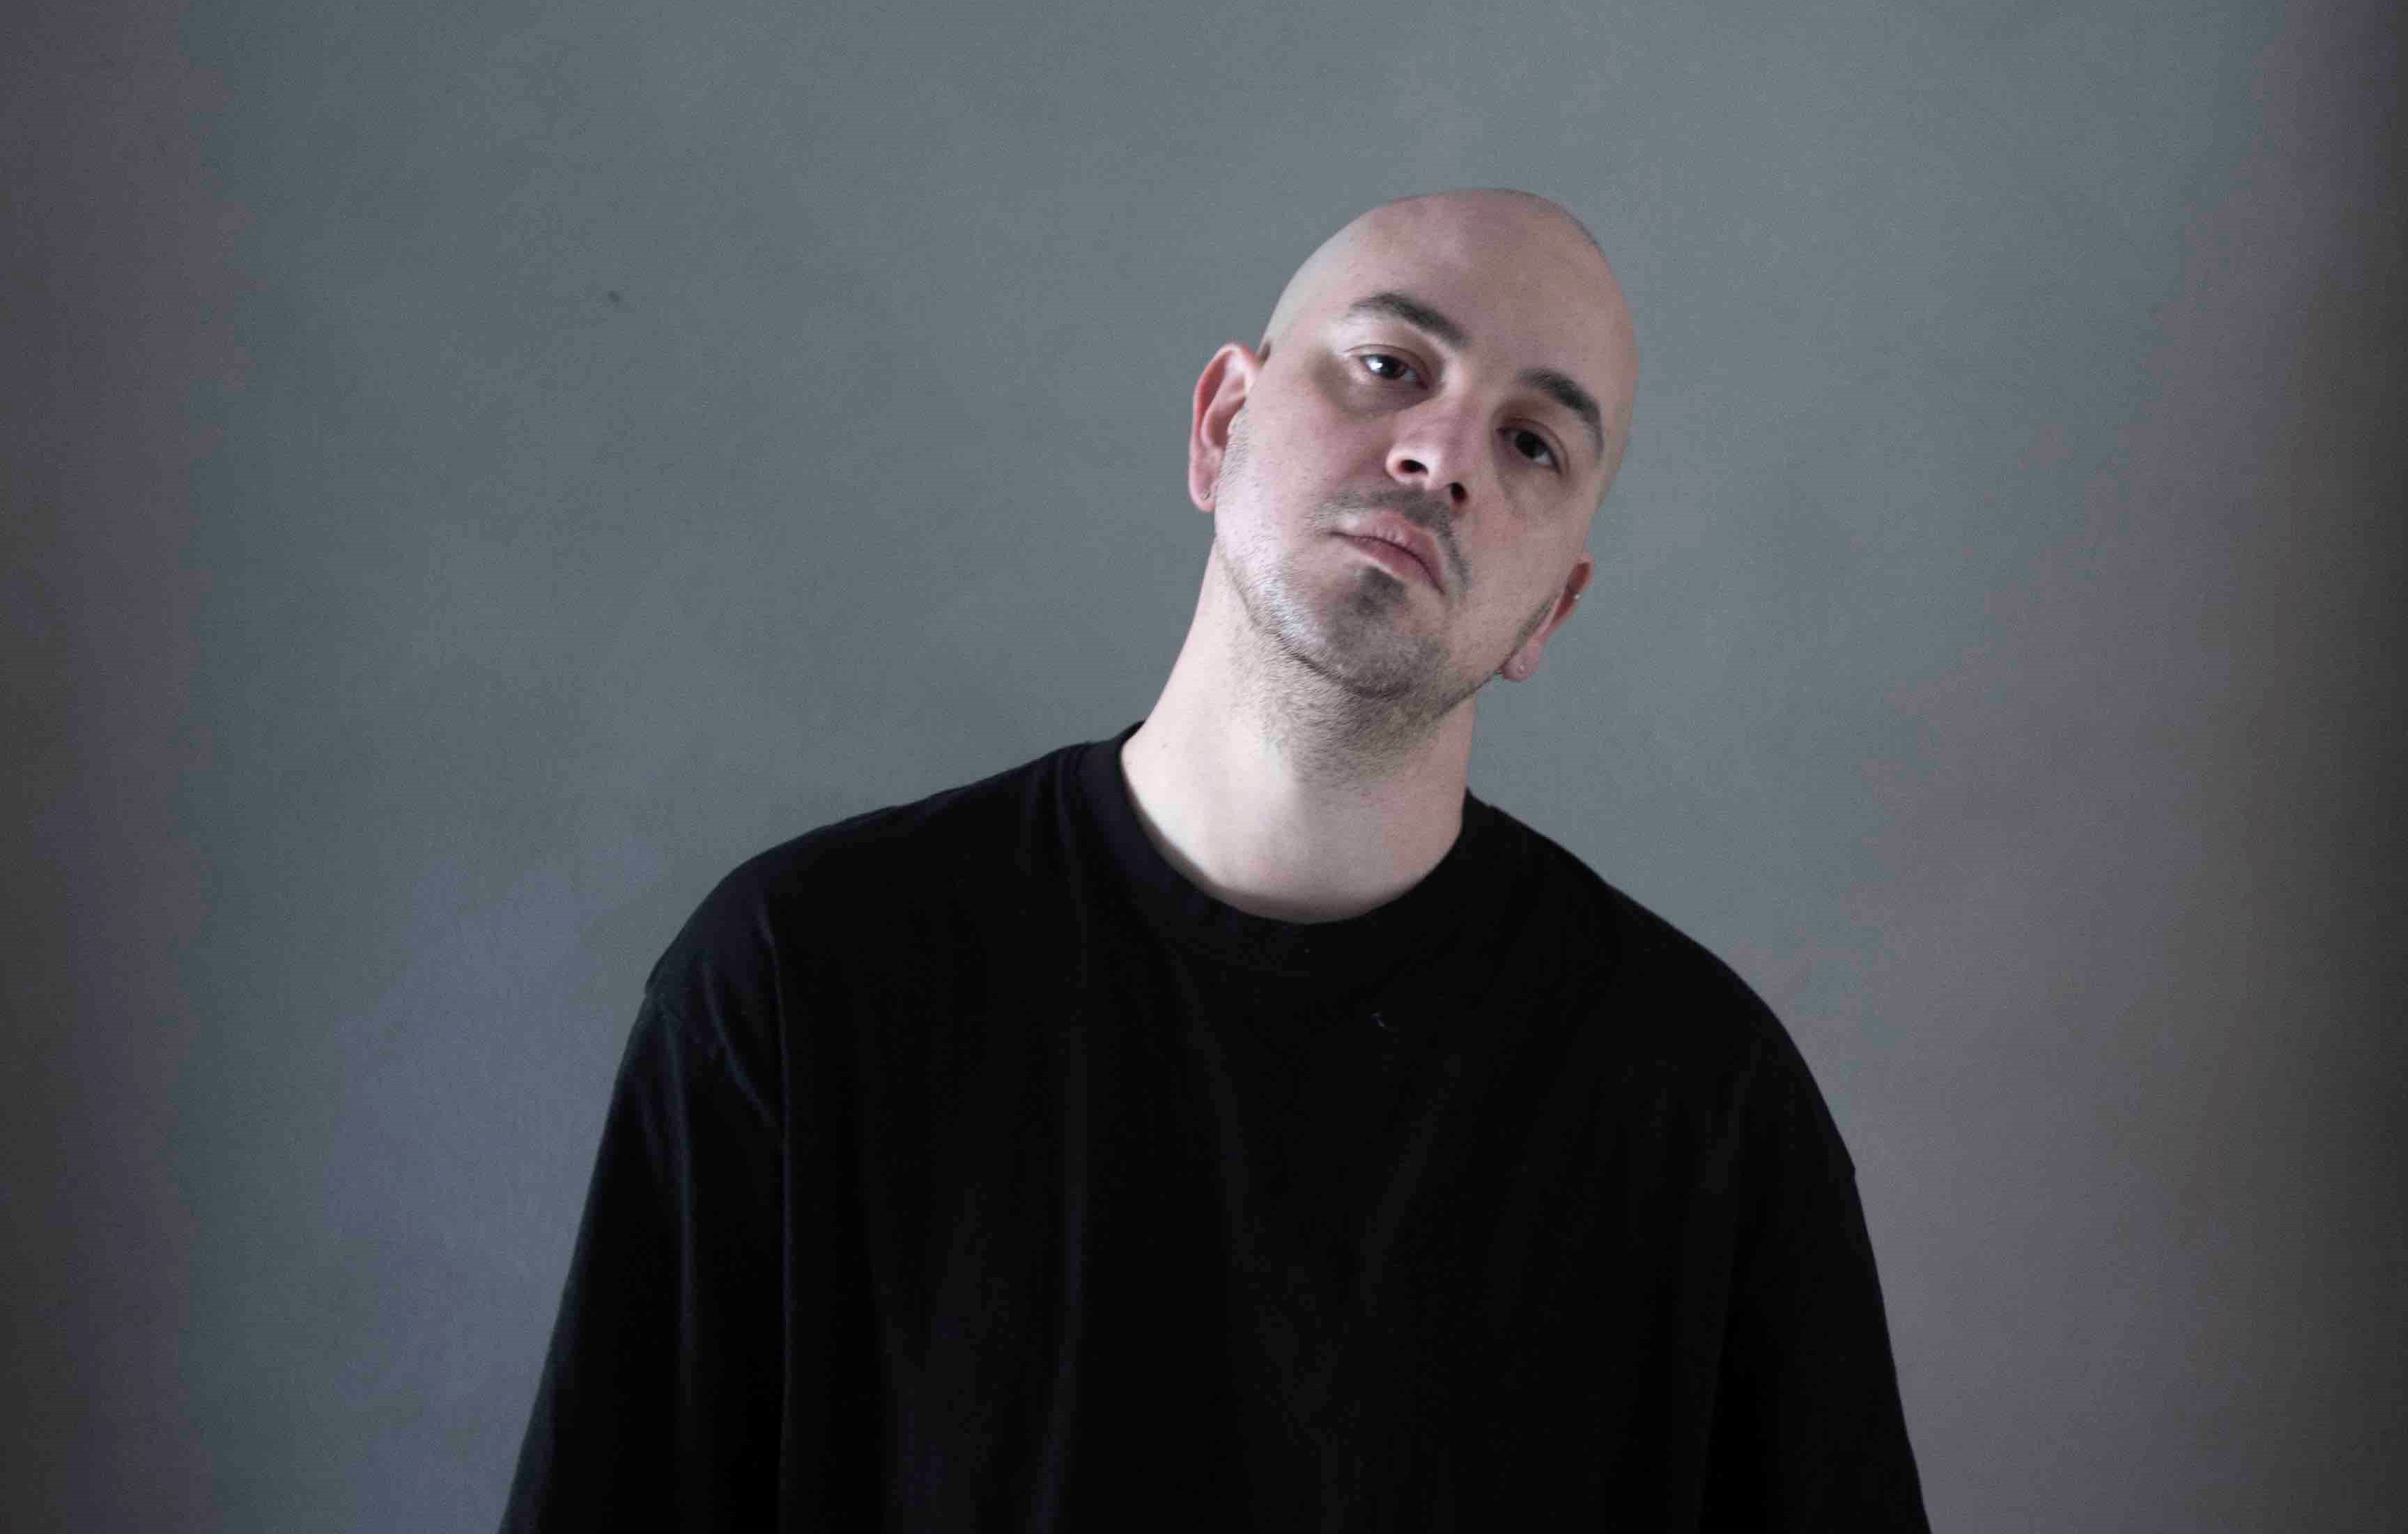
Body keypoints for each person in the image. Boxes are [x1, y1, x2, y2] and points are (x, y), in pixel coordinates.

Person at [499, 187, 1932, 1531]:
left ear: (1551, 609)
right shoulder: (802, 981)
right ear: (1222, 422)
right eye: (1389, 367)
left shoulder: (1704, 1108)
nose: (1442, 456)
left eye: (1532, 444)